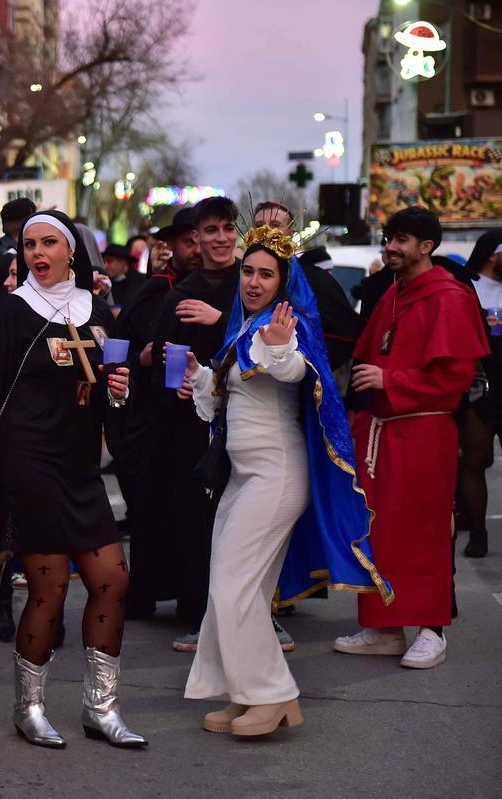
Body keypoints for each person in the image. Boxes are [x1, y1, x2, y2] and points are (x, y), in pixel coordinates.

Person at [179, 226, 393, 737]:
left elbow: (300, 371)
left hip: (275, 477)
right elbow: (228, 404)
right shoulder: (244, 326)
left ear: (282, 282)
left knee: (233, 587)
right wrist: (200, 378)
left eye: (265, 274)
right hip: (245, 477)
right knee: (234, 589)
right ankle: (244, 690)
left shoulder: (285, 323)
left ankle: (272, 695)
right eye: (248, 272)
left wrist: (279, 348)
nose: (253, 282)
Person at [0, 209, 146, 750]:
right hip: (28, 463)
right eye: (29, 245)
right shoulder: (11, 314)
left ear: (71, 251)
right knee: (50, 588)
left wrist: (119, 390)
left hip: (80, 467)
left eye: (49, 243)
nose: (38, 253)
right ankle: (30, 708)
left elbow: (112, 398)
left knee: (113, 579)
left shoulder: (100, 311)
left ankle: (101, 707)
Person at [335, 207, 488, 669]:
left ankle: (432, 629)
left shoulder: (450, 296)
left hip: (424, 430)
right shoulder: (394, 292)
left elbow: (456, 377)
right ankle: (384, 628)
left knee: (425, 532)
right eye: (389, 238)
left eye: (401, 239)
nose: (390, 247)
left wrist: (391, 382)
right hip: (382, 433)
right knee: (380, 530)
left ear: (427, 246)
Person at [136, 196, 247, 652]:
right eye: (210, 231)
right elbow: (166, 356)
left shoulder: (254, 281)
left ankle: (258, 616)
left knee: (247, 523)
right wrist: (177, 385)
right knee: (199, 524)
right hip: (192, 432)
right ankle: (204, 614)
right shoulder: (181, 293)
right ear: (195, 239)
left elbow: (282, 342)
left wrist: (222, 321)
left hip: (251, 425)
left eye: (227, 229)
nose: (220, 239)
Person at [115, 206, 201, 615]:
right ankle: (146, 591)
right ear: (172, 246)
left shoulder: (226, 287)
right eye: (189, 241)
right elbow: (115, 350)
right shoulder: (151, 290)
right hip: (152, 419)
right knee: (150, 508)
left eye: (201, 238)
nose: (197, 248)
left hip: (198, 419)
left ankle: (191, 597)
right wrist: (140, 362)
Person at [253, 202, 362, 382]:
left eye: (275, 225)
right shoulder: (241, 277)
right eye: (259, 226)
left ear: (291, 234)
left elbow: (343, 334)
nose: (266, 232)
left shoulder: (315, 279)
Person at [457, 230, 502, 558]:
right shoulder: (467, 287)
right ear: (492, 255)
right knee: (474, 461)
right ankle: (478, 532)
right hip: (480, 387)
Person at [102, 243, 146, 307]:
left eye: (109, 261)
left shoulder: (142, 281)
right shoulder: (106, 283)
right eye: (104, 262)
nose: (105, 266)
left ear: (123, 262)